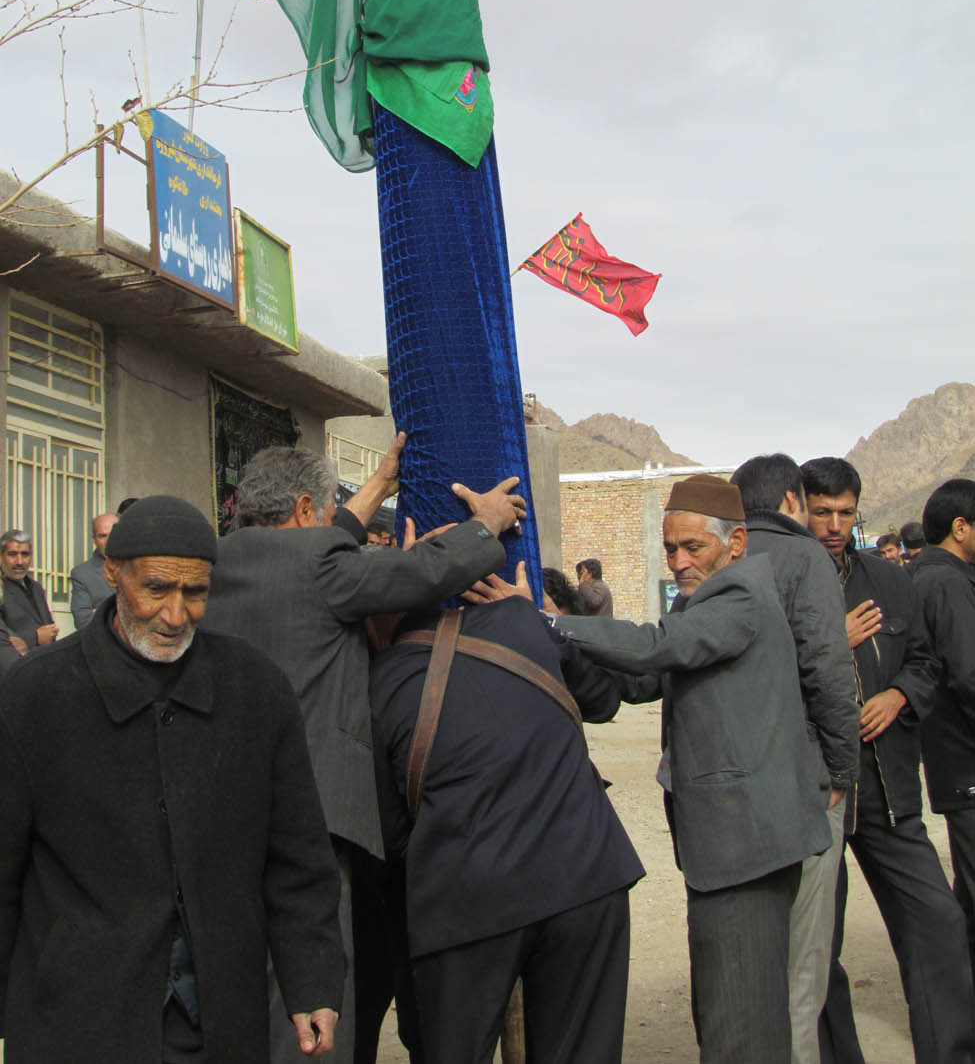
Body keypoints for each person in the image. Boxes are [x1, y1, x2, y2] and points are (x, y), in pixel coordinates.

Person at [202, 434, 526, 1064]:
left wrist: (377, 486)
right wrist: (485, 523)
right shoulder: (325, 567)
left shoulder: (218, 562)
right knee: (313, 982)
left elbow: (317, 545)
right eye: (325, 511)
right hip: (313, 815)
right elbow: (422, 571)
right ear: (304, 510)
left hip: (224, 807)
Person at [0, 495, 344, 1064]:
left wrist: (312, 981)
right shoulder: (33, 695)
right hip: (74, 1020)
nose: (176, 615)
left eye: (196, 592)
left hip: (219, 1020)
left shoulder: (255, 689)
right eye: (157, 589)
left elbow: (299, 857)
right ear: (113, 573)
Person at [562, 474, 830, 1064]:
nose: (679, 562)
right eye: (670, 549)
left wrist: (548, 623)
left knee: (740, 1023)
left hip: (745, 849)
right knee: (730, 1008)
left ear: (736, 544)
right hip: (728, 847)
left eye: (693, 547)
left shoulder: (741, 597)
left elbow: (657, 646)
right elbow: (645, 680)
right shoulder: (703, 602)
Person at [371, 579, 644, 1064]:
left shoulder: (378, 682)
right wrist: (537, 620)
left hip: (466, 899)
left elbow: (392, 837)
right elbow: (602, 701)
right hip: (587, 873)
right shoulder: (522, 618)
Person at [801, 456, 975, 1064]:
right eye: (822, 512)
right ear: (799, 508)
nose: (834, 526)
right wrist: (832, 639)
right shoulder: (778, 581)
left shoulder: (891, 579)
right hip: (816, 791)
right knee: (818, 944)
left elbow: (926, 663)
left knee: (938, 922)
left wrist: (898, 694)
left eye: (845, 514)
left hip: (887, 786)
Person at [730, 453, 859, 1064]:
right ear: (791, 500)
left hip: (729, 789)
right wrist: (843, 771)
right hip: (802, 780)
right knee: (802, 968)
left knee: (742, 963)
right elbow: (828, 675)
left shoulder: (715, 554)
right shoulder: (806, 557)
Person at [910, 478, 975, 977]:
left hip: (950, 760)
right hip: (965, 759)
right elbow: (969, 674)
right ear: (960, 528)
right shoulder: (948, 583)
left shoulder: (920, 576)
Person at [0, 530, 58, 665]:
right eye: (12, 554)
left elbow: (49, 630)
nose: (19, 561)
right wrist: (35, 637)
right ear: (1, 556)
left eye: (25, 554)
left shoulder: (36, 588)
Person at [69, 511, 119, 631]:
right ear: (94, 540)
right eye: (102, 536)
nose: (108, 540)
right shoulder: (82, 574)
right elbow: (83, 621)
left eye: (113, 534)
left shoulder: (141, 567)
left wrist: (100, 611)